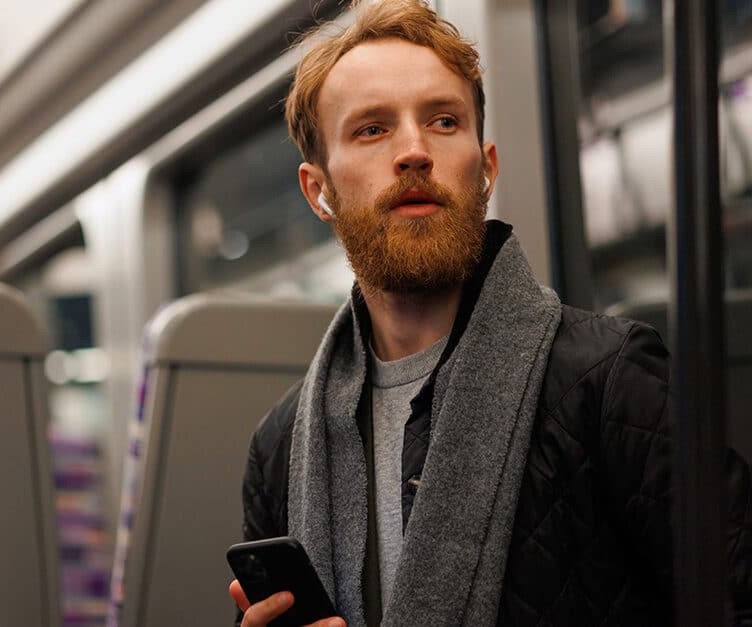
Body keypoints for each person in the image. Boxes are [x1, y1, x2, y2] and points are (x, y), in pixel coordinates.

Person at [229, 1, 752, 626]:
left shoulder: (611, 383)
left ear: (487, 169)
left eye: (445, 121)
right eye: (373, 129)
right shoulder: (281, 448)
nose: (415, 151)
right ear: (319, 192)